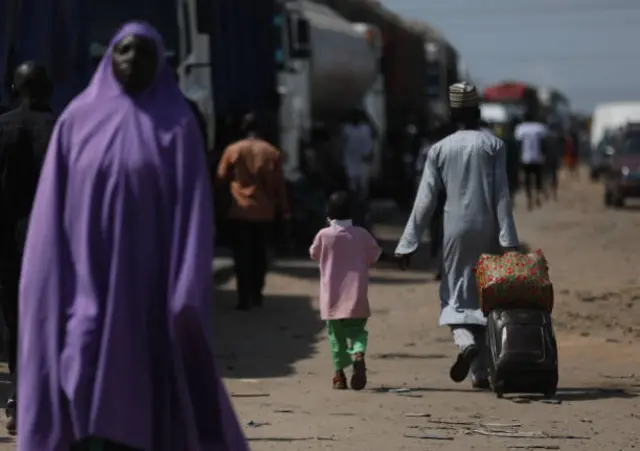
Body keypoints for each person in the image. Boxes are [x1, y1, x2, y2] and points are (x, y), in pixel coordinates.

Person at [17, 22, 247, 450]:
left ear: (159, 61)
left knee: (143, 399)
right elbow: (50, 215)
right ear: (109, 57)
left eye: (143, 53)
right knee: (80, 381)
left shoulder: (177, 127)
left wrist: (186, 297)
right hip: (83, 298)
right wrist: (43, 287)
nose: (132, 61)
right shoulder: (76, 122)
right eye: (123, 51)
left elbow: (193, 218)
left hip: (149, 300)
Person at [394, 82, 520, 389]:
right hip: (488, 228)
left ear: (452, 114)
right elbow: (502, 194)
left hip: (454, 230)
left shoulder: (439, 149)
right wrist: (510, 241)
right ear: (477, 111)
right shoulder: (494, 146)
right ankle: (481, 373)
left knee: (455, 298)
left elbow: (425, 200)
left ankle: (466, 346)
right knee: (487, 298)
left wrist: (407, 244)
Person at [0, 60, 56, 434]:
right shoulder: (62, 128)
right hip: (49, 238)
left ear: (15, 89)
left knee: (12, 317)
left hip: (6, 237)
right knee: (50, 320)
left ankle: (19, 397)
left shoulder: (1, 127)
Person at [217, 112, 291, 310]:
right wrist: (284, 210)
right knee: (260, 254)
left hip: (239, 211)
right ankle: (257, 293)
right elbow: (279, 186)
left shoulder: (233, 150)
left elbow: (221, 178)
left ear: (243, 128)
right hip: (264, 212)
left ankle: (243, 298)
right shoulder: (272, 152)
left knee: (241, 255)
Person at [310, 191, 381, 391]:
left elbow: (314, 254)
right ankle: (358, 352)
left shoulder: (324, 235)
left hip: (331, 299)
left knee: (336, 337)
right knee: (357, 331)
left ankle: (339, 376)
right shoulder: (362, 235)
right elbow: (374, 256)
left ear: (328, 213)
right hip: (357, 297)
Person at [341, 110, 373, 227]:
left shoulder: (347, 129)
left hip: (352, 166)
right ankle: (361, 220)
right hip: (361, 166)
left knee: (353, 195)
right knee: (361, 196)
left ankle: (356, 219)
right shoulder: (366, 129)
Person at [515, 110, 548, 210]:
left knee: (527, 179)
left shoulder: (520, 128)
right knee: (538, 178)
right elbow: (543, 143)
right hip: (537, 157)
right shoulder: (539, 127)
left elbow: (519, 144)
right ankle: (537, 195)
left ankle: (529, 199)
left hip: (525, 158)